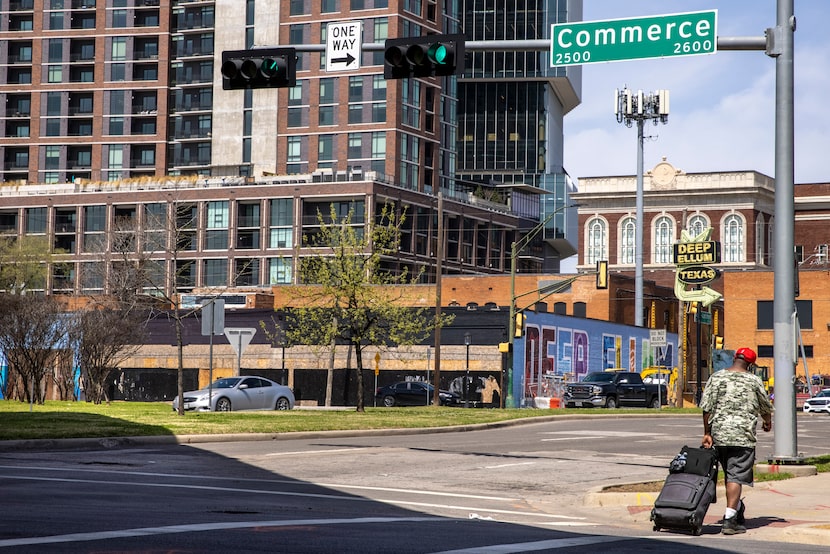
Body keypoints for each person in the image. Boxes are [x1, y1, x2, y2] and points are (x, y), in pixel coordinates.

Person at [700, 347, 773, 535]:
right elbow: (765, 406)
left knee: (730, 476)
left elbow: (707, 407)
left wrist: (707, 433)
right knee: (735, 477)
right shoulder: (754, 380)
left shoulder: (716, 378)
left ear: (734, 358)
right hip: (743, 437)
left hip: (720, 435)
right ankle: (730, 520)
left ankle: (737, 508)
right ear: (750, 364)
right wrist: (767, 422)